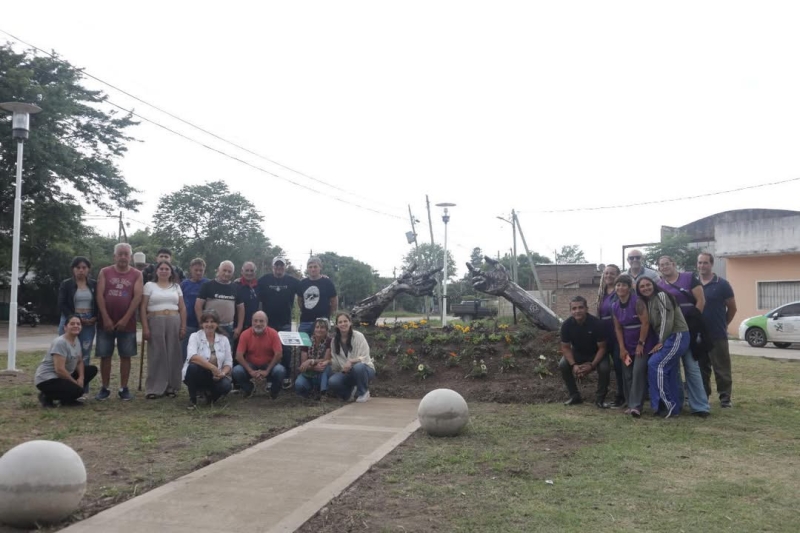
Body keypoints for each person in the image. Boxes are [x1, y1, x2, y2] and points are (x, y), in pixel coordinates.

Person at [657, 255, 711, 418]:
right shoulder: (659, 285)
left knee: (692, 366)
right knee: (673, 369)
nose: (665, 267)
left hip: (690, 328)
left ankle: (700, 406)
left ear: (674, 264)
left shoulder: (688, 278)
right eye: (661, 265)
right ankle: (677, 403)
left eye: (667, 263)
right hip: (672, 332)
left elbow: (700, 300)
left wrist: (693, 324)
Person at [95, 243, 143, 401]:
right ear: (114, 256)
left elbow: (137, 298)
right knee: (105, 355)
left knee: (126, 356)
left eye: (126, 254)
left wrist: (125, 318)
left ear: (130, 257)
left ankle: (124, 388)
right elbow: (100, 295)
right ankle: (105, 387)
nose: (123, 257)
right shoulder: (105, 272)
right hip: (105, 321)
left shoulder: (136, 274)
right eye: (120, 254)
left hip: (127, 323)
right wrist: (106, 317)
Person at [636, 277, 689, 418]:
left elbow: (667, 319)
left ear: (653, 285)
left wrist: (661, 341)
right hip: (668, 338)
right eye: (642, 286)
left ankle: (667, 405)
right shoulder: (649, 302)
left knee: (655, 364)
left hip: (676, 335)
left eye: (648, 285)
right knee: (669, 370)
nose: (646, 288)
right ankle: (671, 407)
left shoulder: (661, 296)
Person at [612, 274, 657, 417]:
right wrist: (622, 347)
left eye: (624, 285)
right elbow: (618, 328)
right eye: (618, 285)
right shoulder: (614, 306)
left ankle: (636, 406)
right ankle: (630, 402)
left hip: (642, 342)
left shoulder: (637, 302)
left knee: (638, 372)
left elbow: (645, 323)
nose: (620, 288)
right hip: (626, 343)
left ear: (630, 287)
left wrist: (641, 343)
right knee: (627, 373)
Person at [141, 261, 187, 399]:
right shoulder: (149, 286)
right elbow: (143, 307)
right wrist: (145, 327)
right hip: (155, 321)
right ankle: (154, 388)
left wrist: (183, 326)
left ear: (171, 272)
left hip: (174, 321)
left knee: (173, 353)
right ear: (156, 271)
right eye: (161, 268)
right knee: (157, 354)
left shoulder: (176, 287)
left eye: (167, 269)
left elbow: (182, 307)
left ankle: (171, 387)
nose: (164, 271)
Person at [697, 252, 737, 408]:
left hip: (717, 334)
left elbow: (732, 308)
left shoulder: (722, 284)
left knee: (722, 368)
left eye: (705, 263)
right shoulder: (694, 284)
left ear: (711, 264)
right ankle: (703, 396)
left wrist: (724, 324)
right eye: (699, 263)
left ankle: (725, 398)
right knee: (701, 368)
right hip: (699, 335)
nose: (702, 266)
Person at [34, 315, 99, 407]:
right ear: (65, 327)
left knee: (91, 369)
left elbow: (79, 361)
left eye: (78, 324)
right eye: (72, 324)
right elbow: (59, 370)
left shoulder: (76, 340)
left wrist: (81, 378)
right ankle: (47, 396)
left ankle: (67, 398)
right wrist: (74, 382)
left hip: (62, 376)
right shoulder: (60, 342)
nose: (76, 326)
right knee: (78, 391)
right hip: (47, 379)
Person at [559, 296, 610, 408]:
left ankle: (600, 399)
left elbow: (602, 348)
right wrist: (574, 365)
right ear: (571, 311)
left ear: (586, 308)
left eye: (580, 307)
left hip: (596, 353)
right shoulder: (566, 325)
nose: (577, 311)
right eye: (574, 308)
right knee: (563, 364)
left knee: (604, 368)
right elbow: (566, 348)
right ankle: (574, 396)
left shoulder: (597, 324)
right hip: (578, 353)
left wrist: (592, 366)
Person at [57, 256, 98, 394]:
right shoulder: (66, 284)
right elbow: (62, 304)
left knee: (84, 355)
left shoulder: (94, 284)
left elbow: (99, 302)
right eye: (78, 268)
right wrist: (76, 318)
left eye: (84, 268)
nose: (81, 270)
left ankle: (82, 390)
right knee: (66, 354)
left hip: (89, 321)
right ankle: (64, 388)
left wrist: (95, 317)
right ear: (73, 269)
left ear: (88, 269)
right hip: (71, 320)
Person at [258, 256, 300, 390]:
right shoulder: (264, 280)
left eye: (281, 266)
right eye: (276, 266)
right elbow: (251, 284)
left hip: (285, 323)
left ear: (285, 267)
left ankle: (287, 376)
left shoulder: (292, 281)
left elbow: (306, 285)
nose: (279, 268)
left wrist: (323, 277)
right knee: (269, 351)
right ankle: (270, 379)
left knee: (286, 350)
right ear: (272, 267)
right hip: (268, 324)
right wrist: (237, 281)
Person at [183, 309, 233, 409]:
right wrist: (212, 368)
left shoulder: (224, 339)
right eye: (206, 322)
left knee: (226, 386)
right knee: (193, 367)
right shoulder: (195, 336)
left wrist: (222, 373)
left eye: (212, 322)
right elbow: (192, 357)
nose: (209, 324)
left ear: (217, 324)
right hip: (199, 373)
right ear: (202, 324)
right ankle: (192, 400)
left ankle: (210, 397)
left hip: (216, 376)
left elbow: (228, 362)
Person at [232, 311, 286, 399]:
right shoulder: (245, 334)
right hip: (251, 365)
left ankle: (273, 392)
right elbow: (238, 356)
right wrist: (250, 371)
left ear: (266, 322)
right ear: (252, 321)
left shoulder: (273, 333)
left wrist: (267, 371)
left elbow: (278, 354)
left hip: (269, 364)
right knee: (236, 371)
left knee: (280, 370)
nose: (258, 324)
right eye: (255, 321)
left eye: (261, 321)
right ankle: (249, 389)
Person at [327, 312, 374, 403]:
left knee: (358, 367)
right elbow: (336, 363)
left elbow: (365, 357)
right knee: (333, 381)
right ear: (337, 325)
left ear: (350, 323)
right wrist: (327, 362)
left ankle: (363, 392)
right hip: (346, 372)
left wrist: (351, 361)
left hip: (365, 370)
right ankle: (349, 393)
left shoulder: (358, 336)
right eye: (340, 322)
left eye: (345, 321)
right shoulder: (334, 341)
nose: (343, 324)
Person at [596, 264, 624, 408]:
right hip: (604, 334)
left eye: (612, 273)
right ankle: (601, 397)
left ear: (618, 275)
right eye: (606, 273)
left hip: (617, 334)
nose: (608, 276)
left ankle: (623, 396)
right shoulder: (602, 292)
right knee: (605, 367)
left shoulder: (620, 291)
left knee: (620, 366)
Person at [195, 260, 244, 340]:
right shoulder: (207, 285)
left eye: (229, 271)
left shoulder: (236, 288)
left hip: (228, 327)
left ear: (232, 273)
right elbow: (198, 305)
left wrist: (239, 327)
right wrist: (202, 323)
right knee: (208, 351)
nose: (226, 273)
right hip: (210, 326)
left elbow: (241, 308)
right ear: (218, 270)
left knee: (226, 352)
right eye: (224, 270)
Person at [297, 256, 338, 338]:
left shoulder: (327, 282)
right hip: (305, 321)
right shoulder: (302, 283)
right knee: (303, 347)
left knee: (322, 347)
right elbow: (300, 300)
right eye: (310, 267)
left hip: (323, 322)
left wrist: (328, 314)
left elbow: (334, 300)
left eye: (315, 267)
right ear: (307, 269)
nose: (313, 269)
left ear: (320, 268)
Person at [295, 317, 332, 399]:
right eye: (317, 327)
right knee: (299, 385)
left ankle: (323, 394)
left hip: (322, 372)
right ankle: (308, 394)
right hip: (309, 372)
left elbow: (326, 359)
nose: (319, 330)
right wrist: (313, 367)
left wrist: (311, 360)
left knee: (326, 367)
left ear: (326, 330)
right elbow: (303, 363)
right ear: (314, 329)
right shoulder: (307, 340)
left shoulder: (330, 341)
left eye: (322, 327)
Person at [181, 258, 209, 361]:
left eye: (201, 270)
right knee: (185, 351)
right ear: (191, 269)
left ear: (204, 270)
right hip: (188, 324)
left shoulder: (208, 284)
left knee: (202, 352)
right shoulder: (184, 284)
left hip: (204, 324)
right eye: (196, 270)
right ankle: (184, 375)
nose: (198, 272)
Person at [233, 261, 261, 353]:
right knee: (237, 351)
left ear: (255, 272)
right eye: (247, 270)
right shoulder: (235, 285)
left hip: (254, 325)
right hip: (238, 326)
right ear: (242, 271)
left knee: (251, 352)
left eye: (251, 270)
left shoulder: (259, 286)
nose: (249, 273)